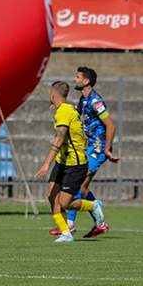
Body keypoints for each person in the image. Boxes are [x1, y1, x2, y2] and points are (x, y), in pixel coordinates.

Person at [51, 67, 120, 238]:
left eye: (77, 77)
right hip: (89, 148)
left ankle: (70, 226)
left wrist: (106, 149)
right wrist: (59, 105)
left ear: (86, 81)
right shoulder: (84, 100)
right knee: (82, 186)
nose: (74, 79)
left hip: (98, 149)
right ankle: (99, 223)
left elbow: (110, 125)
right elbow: (74, 115)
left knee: (77, 183)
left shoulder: (96, 101)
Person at [35, 81, 105, 242]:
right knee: (52, 196)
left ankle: (94, 205)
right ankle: (66, 232)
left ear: (53, 95)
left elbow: (59, 139)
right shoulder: (65, 109)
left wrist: (46, 164)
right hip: (63, 161)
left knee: (65, 203)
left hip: (75, 164)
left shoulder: (64, 112)